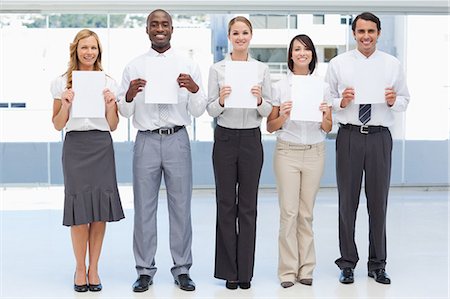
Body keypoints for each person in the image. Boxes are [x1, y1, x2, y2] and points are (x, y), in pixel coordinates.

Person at [117, 9, 207, 292]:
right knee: (144, 208)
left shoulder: (188, 64)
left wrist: (193, 89)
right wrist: (130, 95)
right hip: (145, 140)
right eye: (154, 24)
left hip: (177, 140)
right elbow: (123, 110)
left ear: (172, 29)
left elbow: (198, 110)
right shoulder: (134, 66)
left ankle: (182, 269)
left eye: (164, 24)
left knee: (181, 207)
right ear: (146, 30)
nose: (159, 28)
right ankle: (144, 270)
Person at [325, 12, 410, 285]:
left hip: (379, 137)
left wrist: (394, 99)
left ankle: (378, 264)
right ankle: (347, 263)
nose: (366, 36)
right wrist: (342, 100)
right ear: (353, 34)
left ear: (379, 33)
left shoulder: (392, 64)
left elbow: (405, 100)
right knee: (347, 202)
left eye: (371, 31)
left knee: (378, 202)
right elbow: (327, 99)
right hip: (349, 135)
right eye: (361, 31)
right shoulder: (339, 64)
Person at [51, 29, 125, 293]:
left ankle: (94, 268)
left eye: (93, 48)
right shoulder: (61, 82)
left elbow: (114, 125)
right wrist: (66, 105)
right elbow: (57, 124)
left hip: (101, 146)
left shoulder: (109, 82)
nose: (89, 52)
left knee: (99, 213)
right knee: (80, 213)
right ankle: (79, 269)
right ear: (76, 50)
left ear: (98, 51)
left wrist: (109, 105)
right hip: (75, 148)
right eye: (84, 48)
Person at [207, 16, 272, 290]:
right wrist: (221, 99)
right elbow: (210, 109)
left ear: (251, 36)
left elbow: (269, 110)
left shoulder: (261, 69)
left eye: (245, 33)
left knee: (248, 206)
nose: (240, 37)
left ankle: (245, 271)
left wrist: (259, 100)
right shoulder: (217, 69)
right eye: (236, 33)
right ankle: (228, 272)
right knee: (225, 204)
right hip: (224, 137)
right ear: (229, 36)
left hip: (251, 139)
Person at [267, 34, 332, 288]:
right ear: (291, 55)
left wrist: (326, 114)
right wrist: (283, 115)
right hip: (287, 152)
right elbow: (271, 127)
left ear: (312, 55)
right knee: (289, 213)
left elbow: (327, 127)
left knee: (306, 214)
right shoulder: (280, 86)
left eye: (306, 49)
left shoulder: (322, 86)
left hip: (315, 151)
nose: (302, 53)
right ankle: (286, 271)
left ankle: (306, 269)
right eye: (297, 49)